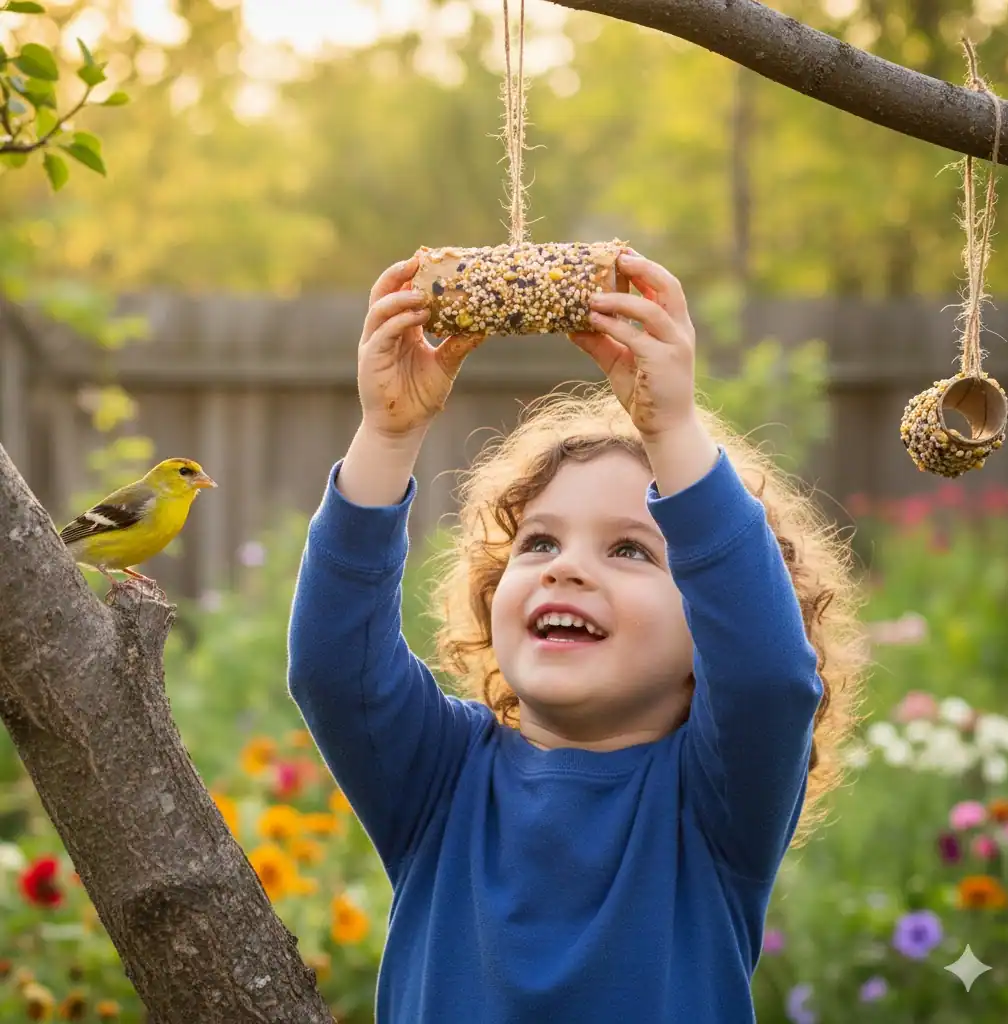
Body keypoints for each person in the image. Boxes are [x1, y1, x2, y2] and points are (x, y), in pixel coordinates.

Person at [287, 251, 866, 1023]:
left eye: (630, 549)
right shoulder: (439, 779)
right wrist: (387, 438)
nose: (567, 571)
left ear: (710, 623)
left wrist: (673, 430)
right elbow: (333, 666)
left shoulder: (714, 803)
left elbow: (767, 677)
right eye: (538, 543)